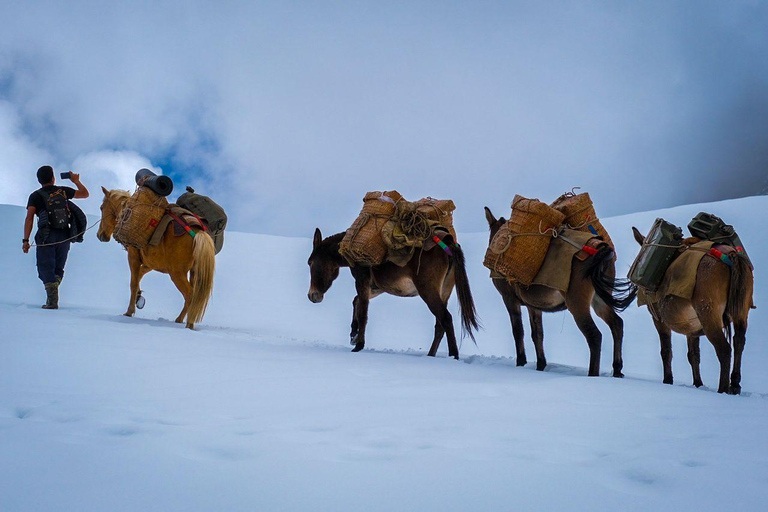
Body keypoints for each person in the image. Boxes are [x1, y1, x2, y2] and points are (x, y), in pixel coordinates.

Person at [22, 165, 90, 309]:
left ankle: (52, 299)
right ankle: (53, 293)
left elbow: (29, 218)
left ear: (39, 180)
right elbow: (85, 194)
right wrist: (76, 181)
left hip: (46, 236)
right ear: (53, 178)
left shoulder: (35, 196)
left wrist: (26, 240)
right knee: (58, 268)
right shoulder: (63, 191)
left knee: (45, 267)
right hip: (64, 234)